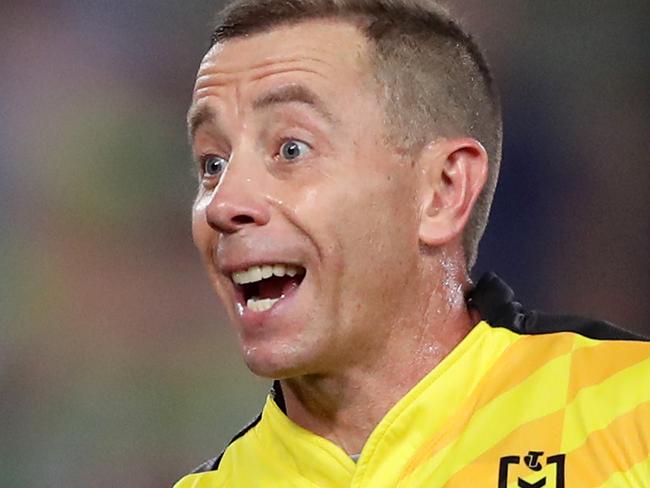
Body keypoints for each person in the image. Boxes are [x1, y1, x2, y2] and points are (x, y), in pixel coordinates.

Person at [175, 0, 650, 486]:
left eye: (291, 149)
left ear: (443, 191)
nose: (222, 204)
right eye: (212, 164)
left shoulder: (633, 411)